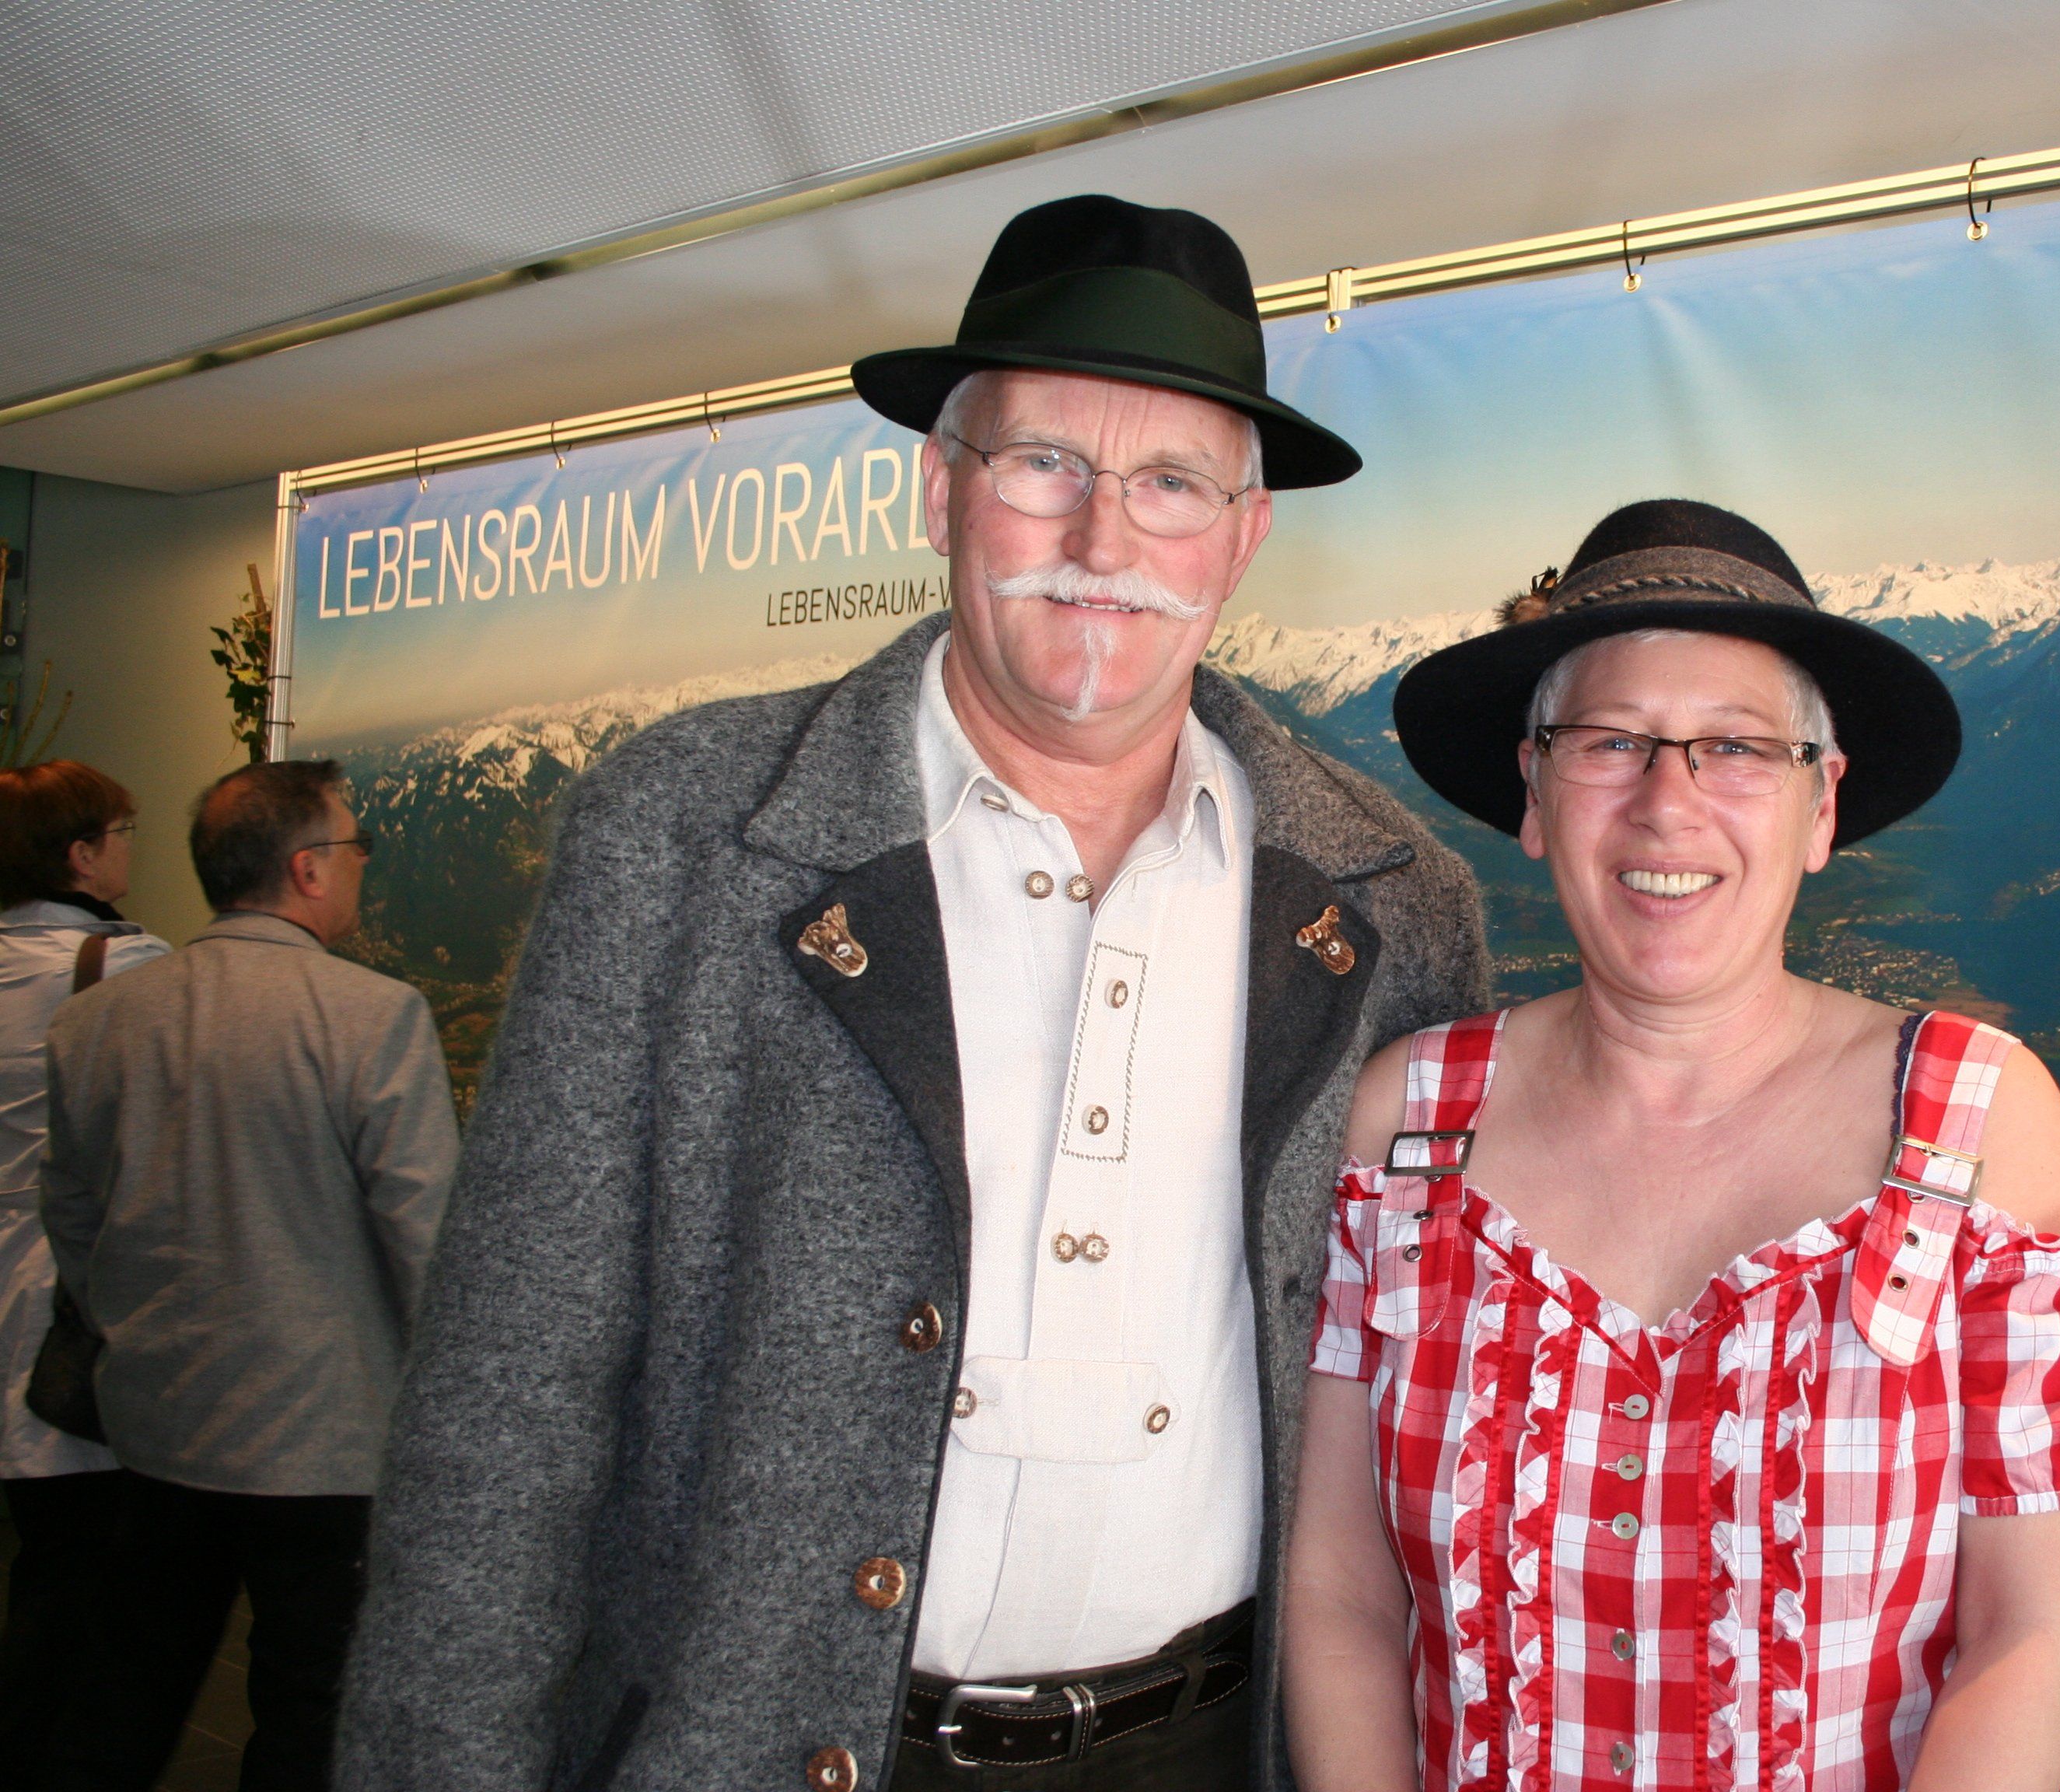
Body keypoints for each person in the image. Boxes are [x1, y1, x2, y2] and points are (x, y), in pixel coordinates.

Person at [338, 194, 1488, 1792]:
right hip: (761, 1750)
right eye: (1044, 467)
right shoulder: (684, 830)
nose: (1105, 543)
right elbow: (509, 1390)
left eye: (1172, 483)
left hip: (1212, 1750)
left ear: (1243, 535)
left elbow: (1414, 1414)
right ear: (941, 488)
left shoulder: (1391, 904)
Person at [1283, 501, 2060, 1792]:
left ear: (1820, 805)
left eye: (1737, 747)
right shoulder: (1405, 1128)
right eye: (1609, 742)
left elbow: (2034, 1641)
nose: (1666, 803)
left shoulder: (1976, 1128)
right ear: (1534, 795)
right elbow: (1342, 1596)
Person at [39, 759, 459, 1792]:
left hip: (156, 1422)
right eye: (357, 847)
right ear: (308, 869)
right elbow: (426, 1241)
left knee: (126, 1691)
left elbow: (74, 1219)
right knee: (312, 1708)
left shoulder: (98, 1020)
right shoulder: (373, 1017)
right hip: (328, 1439)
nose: (362, 866)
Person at [0, 761, 170, 1762]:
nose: (129, 849)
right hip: (60, 1299)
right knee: (82, 1575)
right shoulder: (128, 969)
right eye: (123, 831)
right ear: (80, 853)